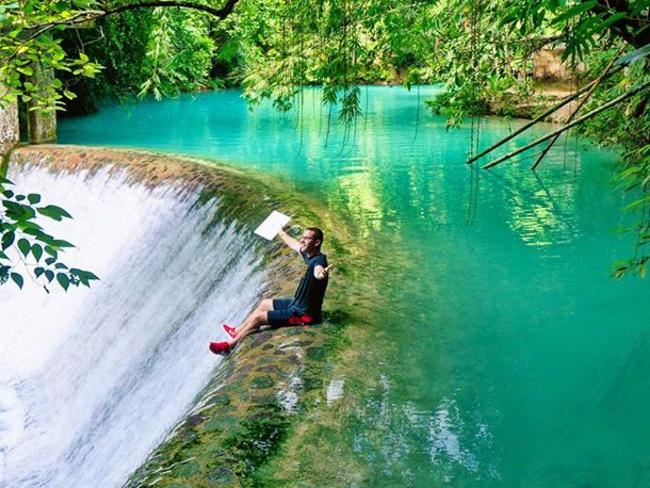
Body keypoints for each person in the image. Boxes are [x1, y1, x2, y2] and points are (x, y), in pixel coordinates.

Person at [209, 226, 332, 355]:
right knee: (264, 303)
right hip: (297, 304)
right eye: (302, 237)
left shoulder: (319, 262)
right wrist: (280, 231)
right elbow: (292, 243)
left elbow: (318, 271)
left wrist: (321, 274)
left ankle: (229, 345)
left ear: (317, 242)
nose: (302, 240)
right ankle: (237, 330)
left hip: (304, 315)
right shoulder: (310, 254)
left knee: (258, 318)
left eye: (306, 238)